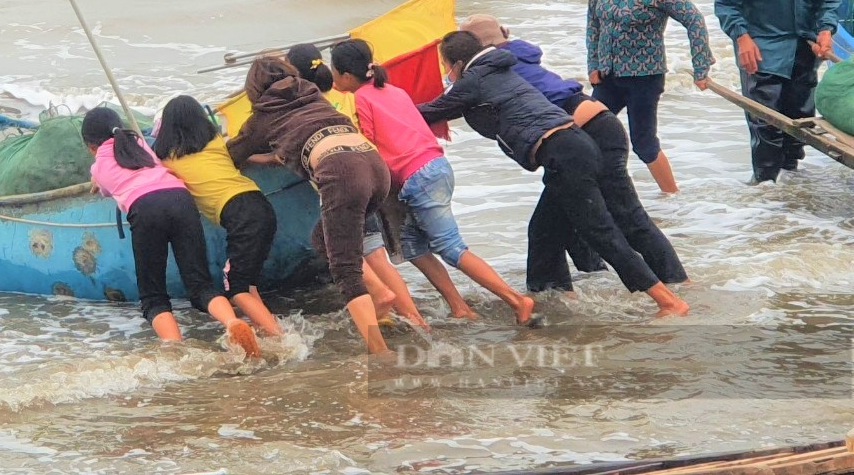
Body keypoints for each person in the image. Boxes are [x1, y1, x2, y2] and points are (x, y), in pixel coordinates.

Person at [420, 31, 689, 317]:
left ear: (458, 63)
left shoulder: (474, 80)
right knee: (543, 229)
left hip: (567, 153)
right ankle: (551, 298)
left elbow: (430, 111)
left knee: (601, 232)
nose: (446, 74)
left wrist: (379, 100)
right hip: (574, 146)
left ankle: (668, 301)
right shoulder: (499, 70)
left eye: (445, 66)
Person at [330, 39, 538, 325]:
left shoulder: (362, 98)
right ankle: (459, 306)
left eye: (333, 70)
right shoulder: (393, 90)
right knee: (413, 246)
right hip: (436, 167)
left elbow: (370, 147)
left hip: (419, 175)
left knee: (451, 248)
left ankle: (517, 300)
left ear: (346, 75)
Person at [227, 57, 392, 353]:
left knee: (345, 270)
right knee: (322, 238)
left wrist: (258, 157)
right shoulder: (314, 95)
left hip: (342, 172)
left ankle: (380, 352)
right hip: (375, 166)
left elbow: (233, 154)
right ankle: (380, 294)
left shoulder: (263, 115)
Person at [82, 107, 260, 356]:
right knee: (200, 285)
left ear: (90, 147)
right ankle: (232, 322)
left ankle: (178, 351)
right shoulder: (141, 145)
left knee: (153, 296)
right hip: (180, 198)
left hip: (145, 209)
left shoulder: (98, 165)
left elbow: (103, 186)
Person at [286, 43, 435, 329]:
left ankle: (391, 305)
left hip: (343, 188)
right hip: (372, 179)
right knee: (376, 254)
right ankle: (411, 318)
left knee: (358, 255)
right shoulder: (347, 98)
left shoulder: (307, 109)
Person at [714, 0, 844, 185]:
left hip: (803, 50)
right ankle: (764, 189)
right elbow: (725, 3)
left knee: (799, 121)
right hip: (762, 52)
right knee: (767, 124)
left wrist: (825, 29)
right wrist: (742, 37)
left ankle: (792, 189)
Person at [586, 0, 715, 194]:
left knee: (644, 143)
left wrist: (700, 66)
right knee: (588, 131)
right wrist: (594, 64)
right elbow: (594, 21)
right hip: (609, 76)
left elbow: (694, 20)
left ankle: (673, 197)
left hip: (644, 79)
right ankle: (600, 190)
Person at [152, 95, 282, 336]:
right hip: (259, 203)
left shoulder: (165, 159)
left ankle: (281, 338)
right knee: (246, 281)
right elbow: (241, 152)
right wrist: (267, 159)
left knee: (235, 288)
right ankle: (265, 330)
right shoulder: (216, 141)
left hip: (239, 214)